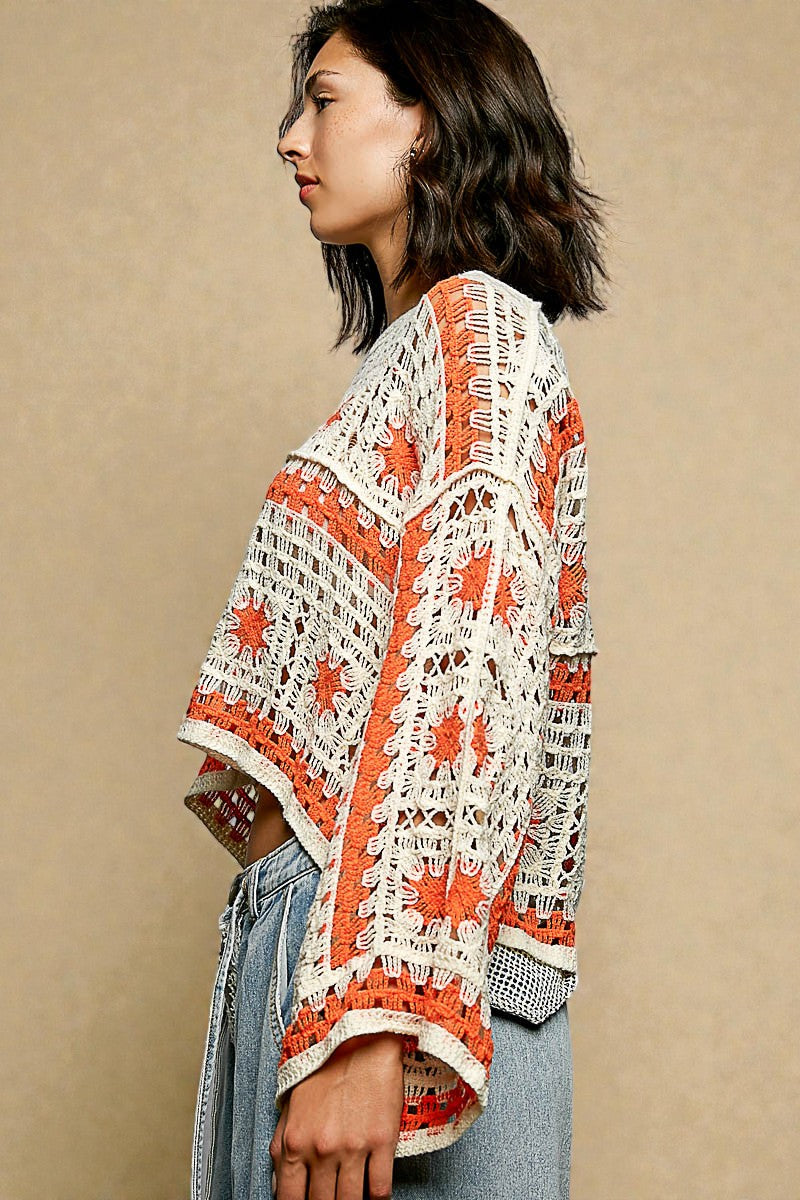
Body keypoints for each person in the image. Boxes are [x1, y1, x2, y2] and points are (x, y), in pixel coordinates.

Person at [176, 2, 609, 1197]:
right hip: (331, 939)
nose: (289, 138)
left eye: (323, 99)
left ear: (433, 122)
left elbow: (467, 674)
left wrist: (372, 1025)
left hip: (372, 966)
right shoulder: (414, 359)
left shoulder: (479, 335)